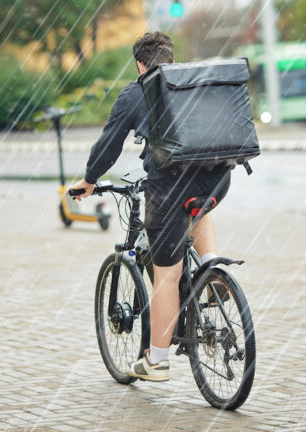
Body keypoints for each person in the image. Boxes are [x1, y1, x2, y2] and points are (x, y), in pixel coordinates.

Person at [67, 31, 230, 382]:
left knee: (166, 275)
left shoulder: (136, 91)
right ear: (170, 57)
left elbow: (108, 145)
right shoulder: (192, 82)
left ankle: (156, 360)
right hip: (215, 180)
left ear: (140, 64)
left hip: (168, 187)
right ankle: (212, 267)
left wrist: (90, 179)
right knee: (198, 209)